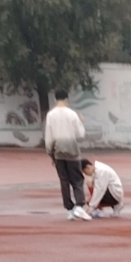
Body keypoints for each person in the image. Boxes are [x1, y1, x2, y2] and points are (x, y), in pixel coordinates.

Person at [43, 90, 89, 220]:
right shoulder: (72, 114)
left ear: (54, 100)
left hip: (58, 152)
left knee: (64, 181)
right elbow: (80, 134)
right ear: (67, 100)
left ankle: (69, 209)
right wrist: (80, 122)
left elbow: (49, 137)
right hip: (72, 151)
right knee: (77, 180)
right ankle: (79, 206)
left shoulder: (50, 115)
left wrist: (51, 154)